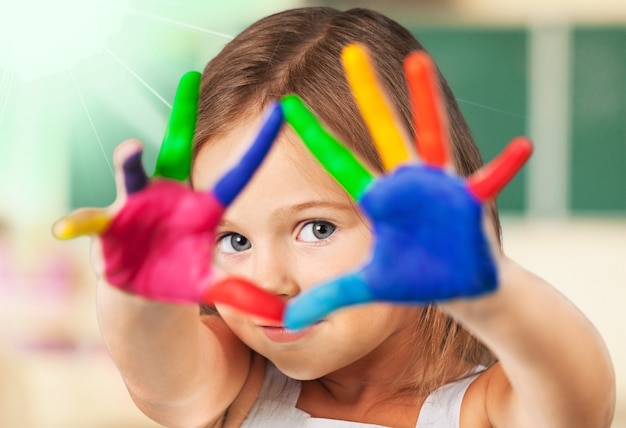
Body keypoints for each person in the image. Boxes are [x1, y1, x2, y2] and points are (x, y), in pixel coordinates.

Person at [55, 7, 615, 427]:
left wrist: (489, 291)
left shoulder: (485, 407)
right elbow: (163, 380)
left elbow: (575, 400)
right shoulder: (236, 380)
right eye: (231, 238)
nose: (270, 280)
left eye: (317, 228)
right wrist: (136, 290)